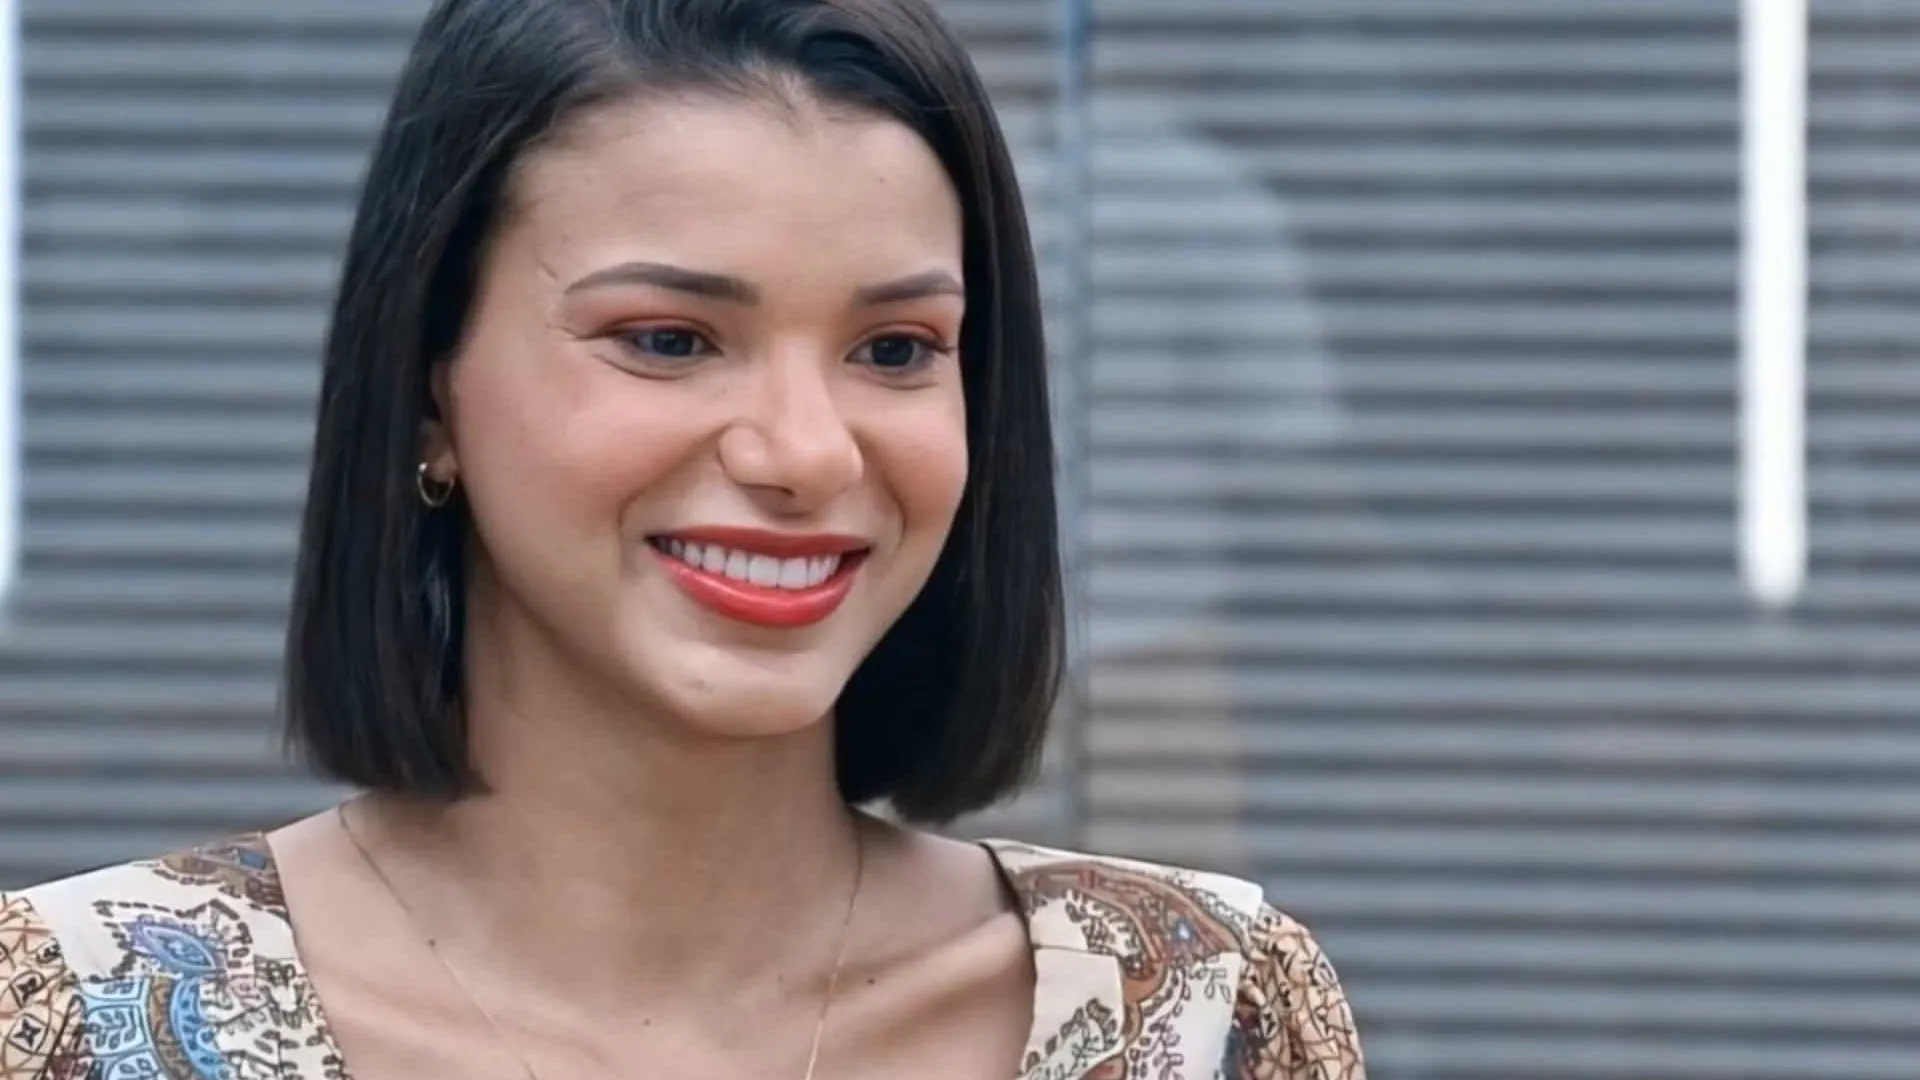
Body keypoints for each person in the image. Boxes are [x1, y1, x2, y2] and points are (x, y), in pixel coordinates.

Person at [0, 1, 1365, 1076]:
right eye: (668, 340)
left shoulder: (1202, 1014)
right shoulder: (79, 1015)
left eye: (896, 349)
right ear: (428, 392)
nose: (808, 453)